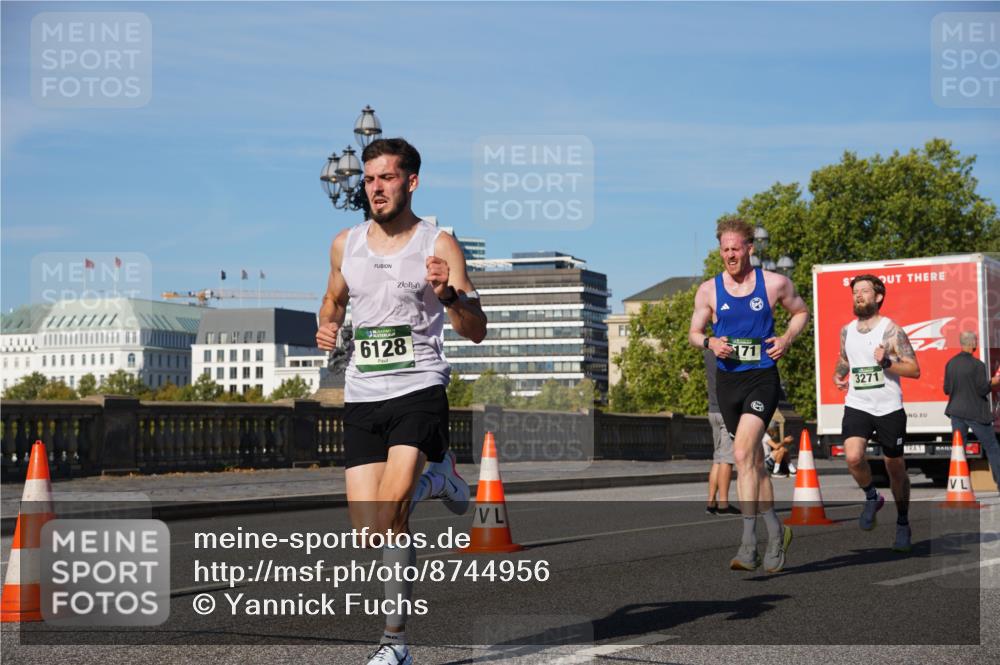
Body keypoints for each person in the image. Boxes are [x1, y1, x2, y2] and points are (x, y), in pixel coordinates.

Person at [316, 138, 487, 665]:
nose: (374, 189)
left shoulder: (440, 246)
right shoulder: (347, 244)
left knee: (392, 512)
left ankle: (395, 644)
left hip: (419, 387)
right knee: (370, 532)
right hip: (364, 393)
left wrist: (450, 297)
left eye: (385, 178)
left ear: (411, 181)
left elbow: (476, 330)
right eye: (368, 180)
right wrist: (327, 324)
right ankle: (440, 476)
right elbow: (333, 299)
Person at [690, 216, 809, 572]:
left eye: (736, 248)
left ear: (750, 249)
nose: (730, 254)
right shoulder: (709, 290)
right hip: (728, 383)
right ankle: (777, 532)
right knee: (754, 464)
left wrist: (786, 339)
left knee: (741, 452)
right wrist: (709, 341)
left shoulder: (774, 283)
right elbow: (695, 332)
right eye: (724, 249)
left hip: (761, 378)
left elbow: (801, 312)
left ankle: (748, 544)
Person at [833, 274, 920, 553]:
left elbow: (914, 370)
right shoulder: (846, 330)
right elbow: (845, 359)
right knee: (853, 456)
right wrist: (839, 374)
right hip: (858, 403)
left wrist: (886, 362)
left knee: (894, 467)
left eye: (864, 291)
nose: (858, 296)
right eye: (855, 292)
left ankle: (903, 523)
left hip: (889, 407)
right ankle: (872, 495)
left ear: (878, 297)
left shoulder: (891, 330)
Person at [944, 331, 1000, 491]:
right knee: (992, 447)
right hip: (976, 413)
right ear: (972, 343)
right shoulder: (978, 365)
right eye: (976, 340)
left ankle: (958, 485)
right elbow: (982, 389)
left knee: (958, 450)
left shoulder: (950, 363)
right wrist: (993, 382)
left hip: (956, 412)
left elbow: (947, 389)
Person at [704, 348, 740, 515]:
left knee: (718, 458)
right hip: (726, 411)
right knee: (727, 459)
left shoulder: (709, 349)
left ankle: (711, 502)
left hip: (713, 409)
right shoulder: (730, 349)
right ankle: (724, 504)